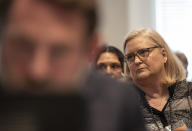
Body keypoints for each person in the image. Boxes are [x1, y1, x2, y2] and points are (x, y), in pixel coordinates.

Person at [0, 0, 145, 131]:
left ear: (90, 50)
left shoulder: (118, 103)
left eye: (59, 52)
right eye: (23, 47)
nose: (38, 71)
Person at [123, 28, 192, 131]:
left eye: (143, 52)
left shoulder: (188, 93)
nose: (136, 61)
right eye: (130, 57)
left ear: (164, 55)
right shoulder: (125, 103)